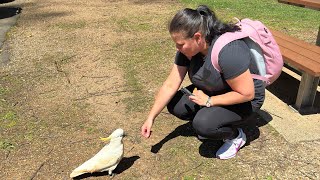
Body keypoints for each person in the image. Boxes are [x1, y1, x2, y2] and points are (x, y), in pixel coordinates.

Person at [141, 5, 265, 159]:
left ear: (198, 37)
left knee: (203, 125)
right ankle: (212, 120)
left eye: (180, 44)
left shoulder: (229, 51)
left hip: (245, 99)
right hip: (216, 89)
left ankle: (235, 136)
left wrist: (209, 101)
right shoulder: (188, 51)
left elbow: (247, 94)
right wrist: (151, 117)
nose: (177, 48)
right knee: (176, 104)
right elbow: (171, 84)